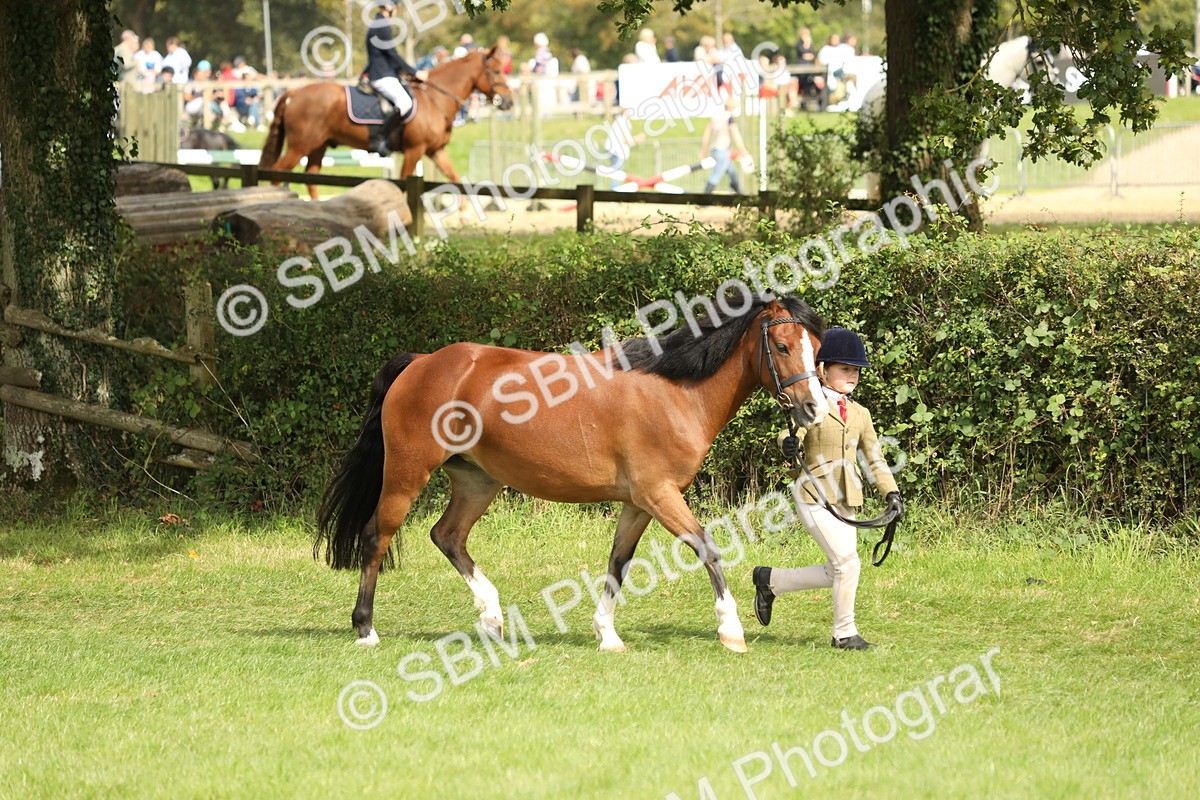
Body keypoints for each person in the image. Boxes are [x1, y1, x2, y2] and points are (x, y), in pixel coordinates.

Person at [752, 327, 904, 651]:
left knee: (837, 570)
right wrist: (788, 443)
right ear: (822, 370)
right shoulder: (812, 403)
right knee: (848, 564)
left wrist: (891, 493)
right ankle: (844, 634)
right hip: (814, 494)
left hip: (846, 496)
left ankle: (770, 581)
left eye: (856, 370)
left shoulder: (861, 414)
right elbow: (790, 434)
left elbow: (874, 458)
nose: (852, 375)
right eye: (844, 369)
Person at [364, 0, 428, 155]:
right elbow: (392, 54)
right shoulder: (382, 26)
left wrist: (401, 71)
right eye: (396, 6)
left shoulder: (378, 23)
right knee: (405, 103)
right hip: (381, 75)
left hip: (384, 72)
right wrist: (414, 72)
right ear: (389, 6)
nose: (397, 10)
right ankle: (379, 139)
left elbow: (387, 55)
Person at [699, 93, 747, 195]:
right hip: (722, 151)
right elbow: (735, 134)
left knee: (732, 173)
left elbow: (707, 133)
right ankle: (705, 196)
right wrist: (743, 149)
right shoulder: (729, 118)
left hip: (714, 149)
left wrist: (704, 148)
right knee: (716, 175)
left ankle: (740, 195)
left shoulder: (716, 117)